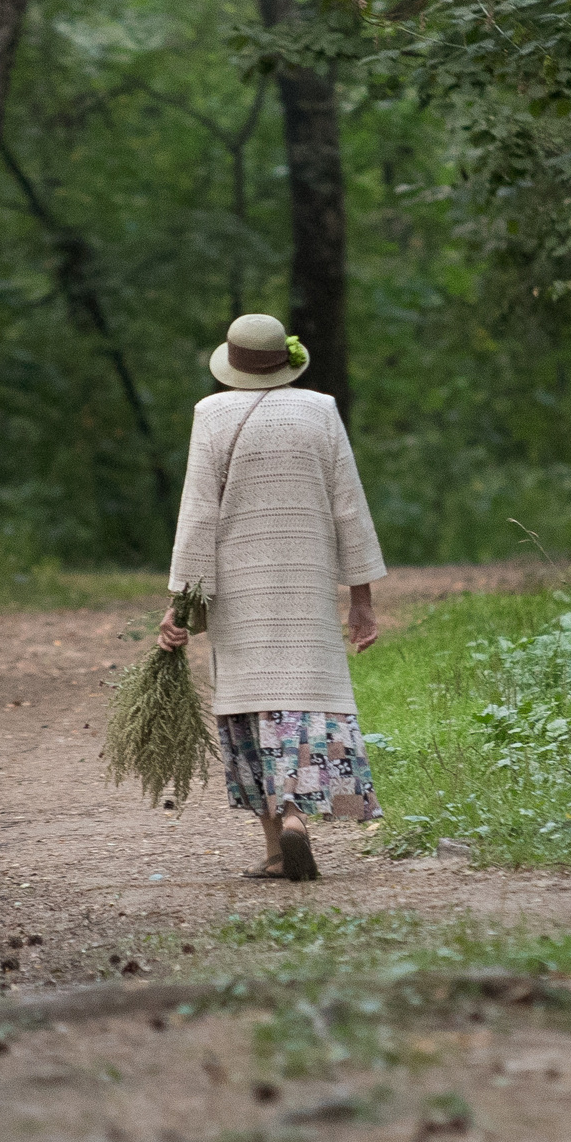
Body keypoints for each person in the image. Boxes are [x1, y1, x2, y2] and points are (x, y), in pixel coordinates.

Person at [157, 313, 386, 882]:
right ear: (287, 361)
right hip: (306, 588)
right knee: (302, 704)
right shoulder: (321, 410)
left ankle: (277, 845)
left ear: (232, 364)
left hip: (240, 592)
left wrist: (180, 602)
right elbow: (349, 508)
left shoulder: (211, 415)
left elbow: (198, 514)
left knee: (253, 707)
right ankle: (298, 820)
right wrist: (361, 600)